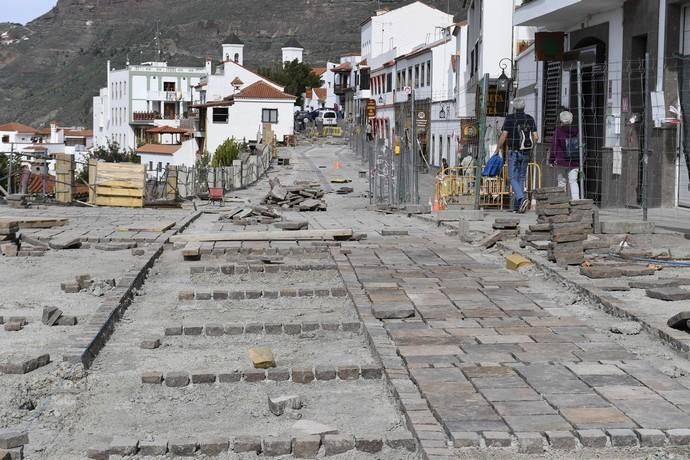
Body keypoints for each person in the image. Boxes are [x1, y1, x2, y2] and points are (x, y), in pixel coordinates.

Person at [496, 97, 538, 213]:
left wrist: (497, 149)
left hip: (513, 151)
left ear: (514, 107)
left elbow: (504, 136)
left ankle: (521, 198)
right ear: (524, 107)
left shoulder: (510, 119)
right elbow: (536, 137)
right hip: (525, 151)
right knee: (521, 178)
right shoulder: (530, 119)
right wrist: (531, 148)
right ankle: (518, 206)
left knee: (512, 177)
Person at [549, 110, 580, 200]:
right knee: (573, 182)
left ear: (561, 120)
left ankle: (562, 201)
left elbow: (554, 146)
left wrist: (551, 160)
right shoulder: (577, 131)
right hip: (574, 161)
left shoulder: (558, 131)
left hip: (561, 161)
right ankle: (576, 201)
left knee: (561, 182)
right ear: (571, 120)